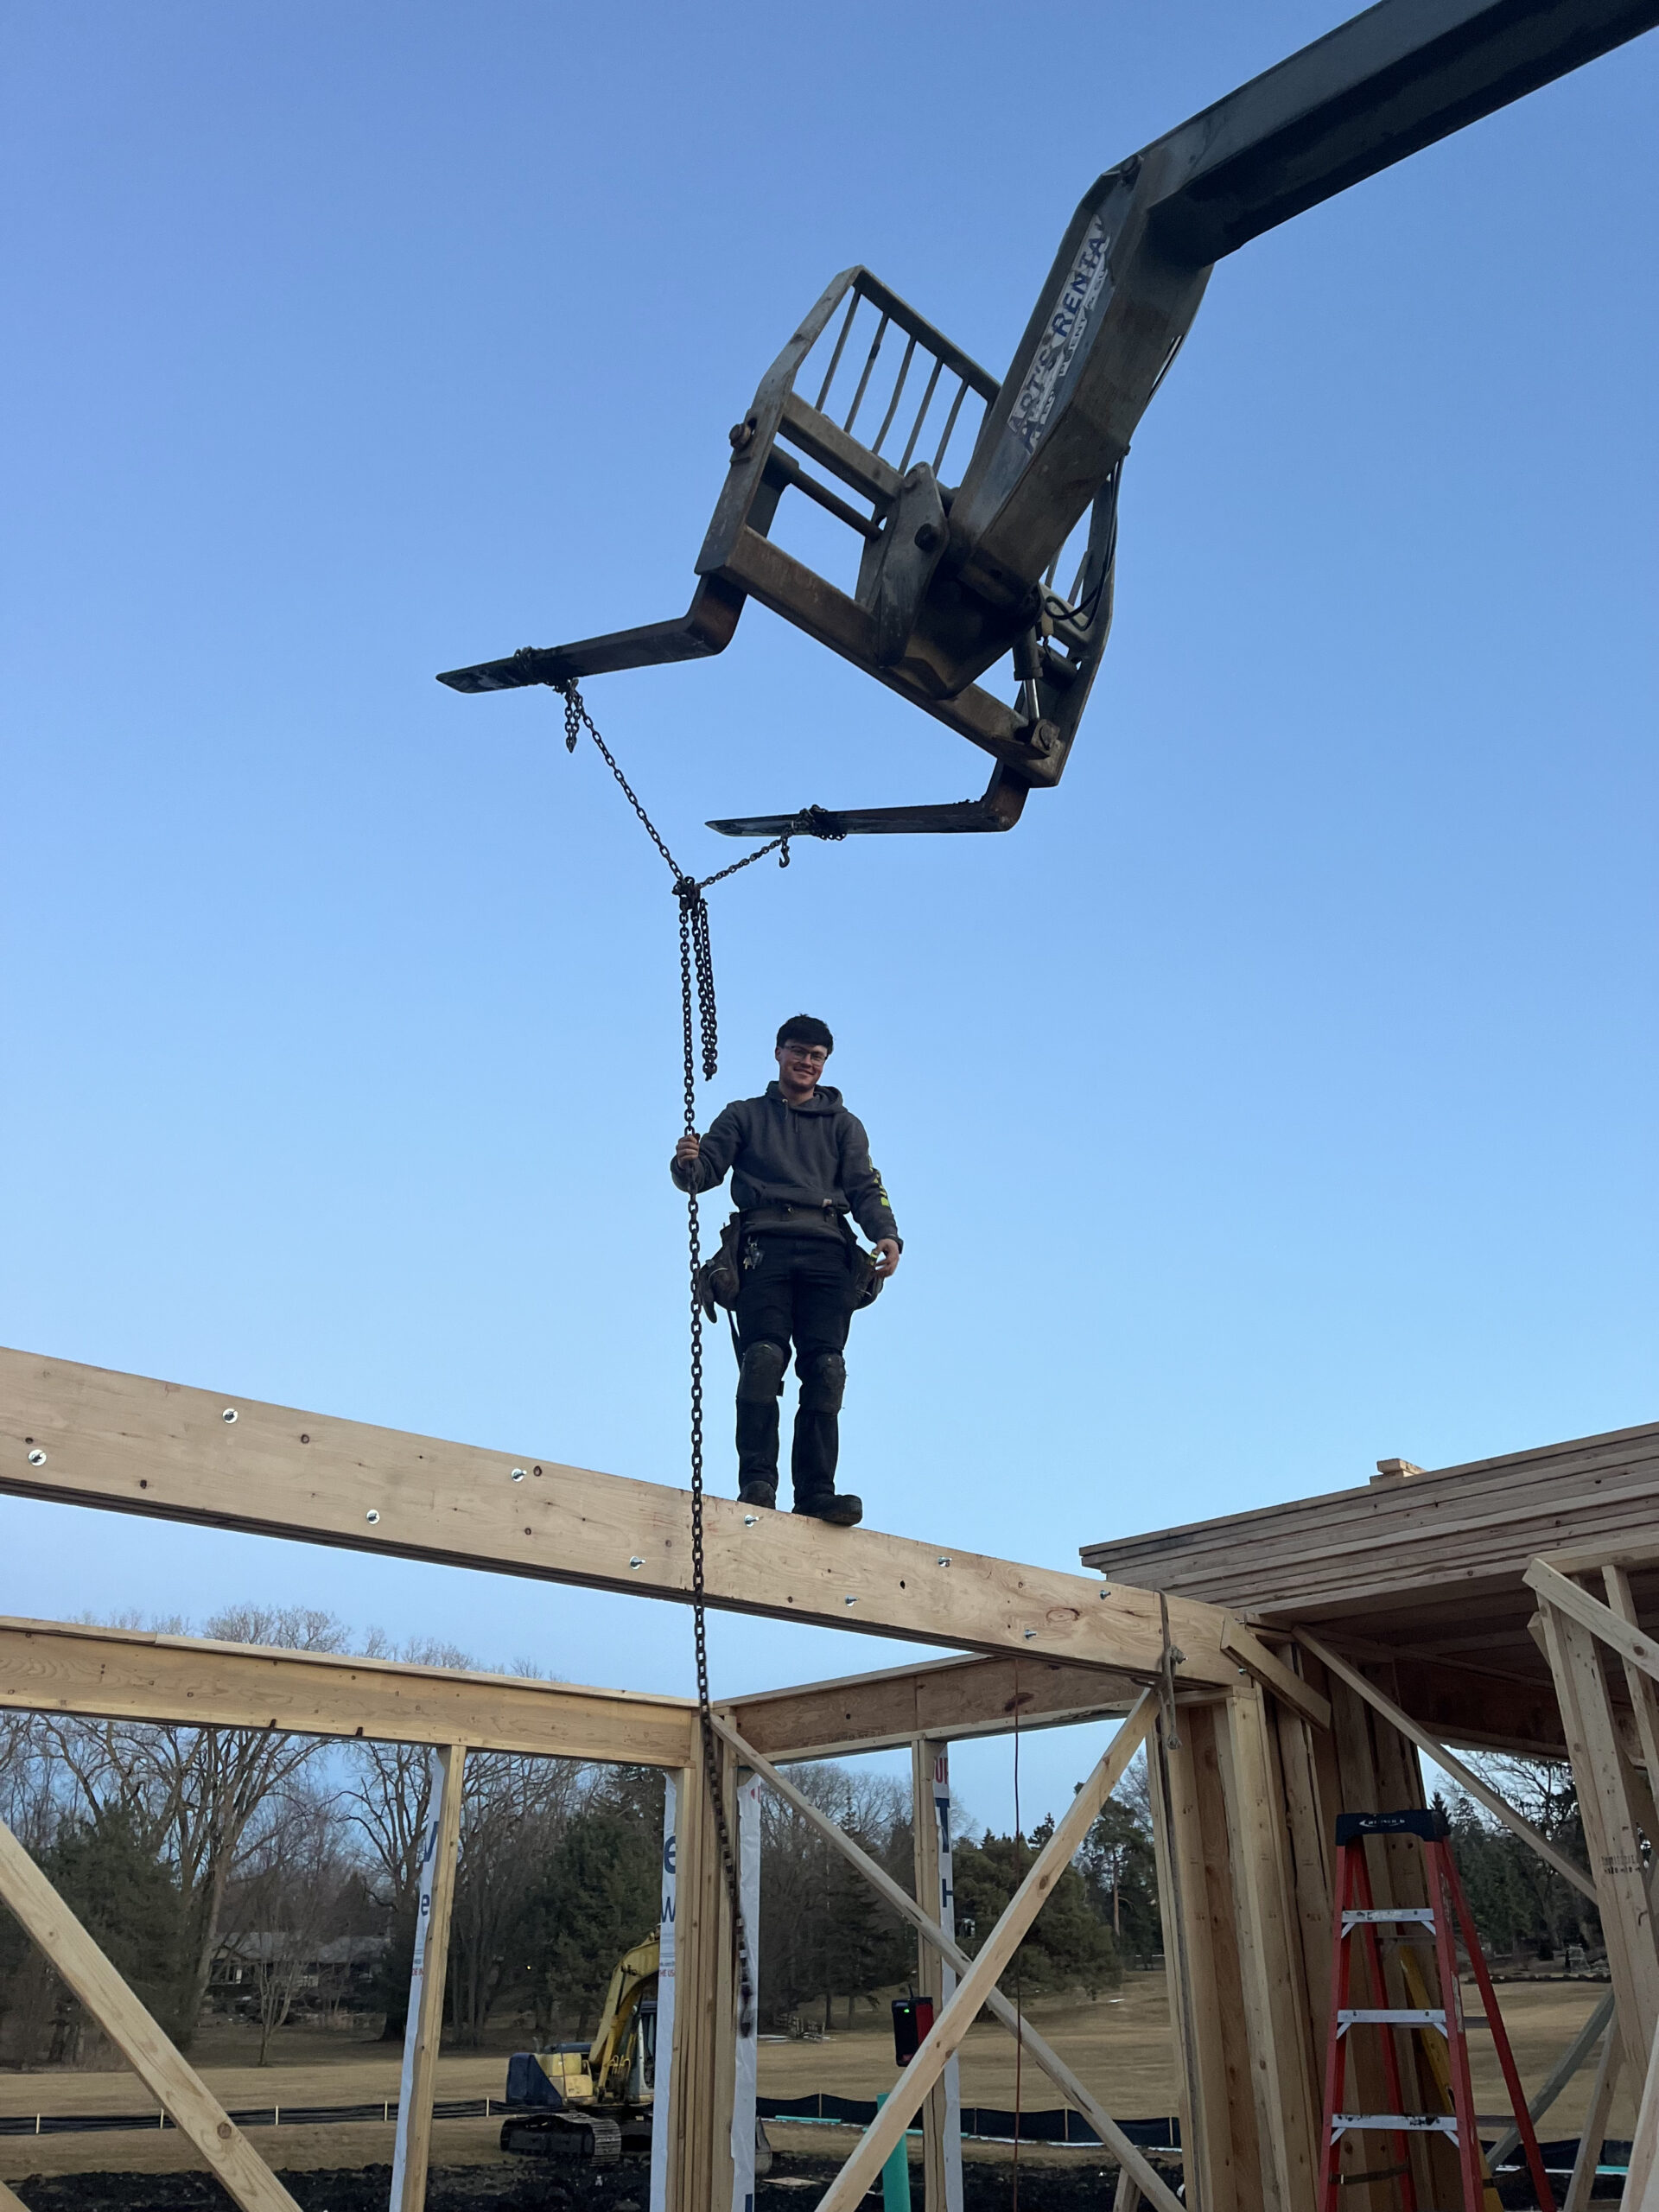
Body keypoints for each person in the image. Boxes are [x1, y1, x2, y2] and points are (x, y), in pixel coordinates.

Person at [671, 1016, 900, 1527]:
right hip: (763, 1247)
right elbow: (704, 1173)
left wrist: (885, 1232)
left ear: (824, 1063)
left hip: (826, 1250)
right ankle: (757, 1482)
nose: (807, 1062)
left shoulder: (844, 1125)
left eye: (817, 1056)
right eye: (798, 1051)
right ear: (778, 1053)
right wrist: (688, 1161)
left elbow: (864, 1185)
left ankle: (817, 1492)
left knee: (825, 1369)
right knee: (763, 1358)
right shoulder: (744, 1115)